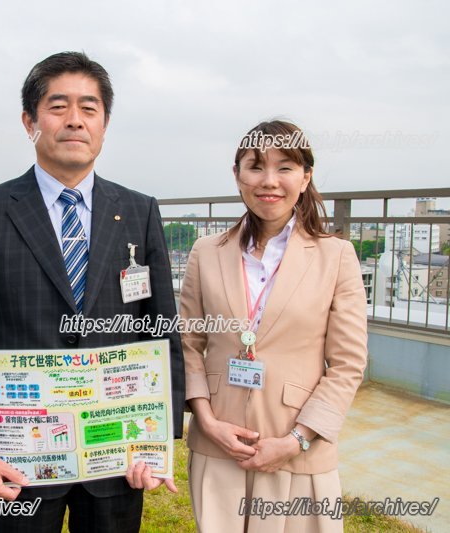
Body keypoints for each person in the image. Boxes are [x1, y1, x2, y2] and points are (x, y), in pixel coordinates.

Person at [0, 51, 185, 532]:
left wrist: (158, 441)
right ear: (29, 121)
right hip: (19, 455)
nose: (75, 120)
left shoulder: (139, 210)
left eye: (89, 108)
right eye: (58, 107)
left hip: (116, 454)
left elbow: (160, 331)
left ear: (105, 122)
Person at [130, 120, 367, 532]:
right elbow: (186, 343)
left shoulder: (336, 256)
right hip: (220, 440)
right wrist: (204, 419)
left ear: (306, 176)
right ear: (237, 175)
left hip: (297, 447)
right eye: (255, 167)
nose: (269, 181)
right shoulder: (207, 252)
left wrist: (298, 439)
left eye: (285, 168)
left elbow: (347, 363)